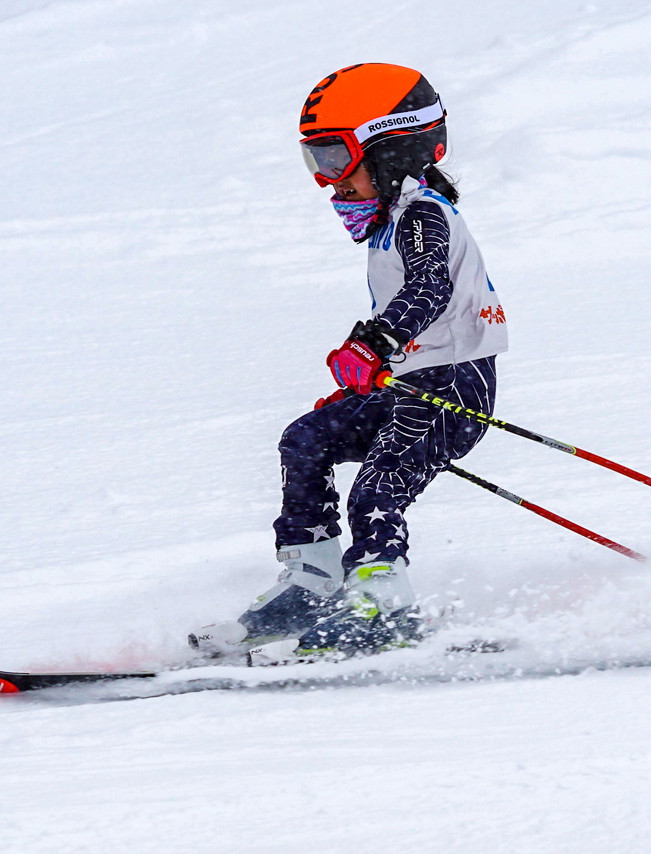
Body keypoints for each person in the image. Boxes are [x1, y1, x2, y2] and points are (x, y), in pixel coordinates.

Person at [192, 63, 507, 659]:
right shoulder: (391, 222)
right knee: (305, 440)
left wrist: (375, 345)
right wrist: (368, 373)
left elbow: (428, 290)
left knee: (375, 490)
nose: (326, 180)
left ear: (392, 150)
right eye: (316, 161)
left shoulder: (422, 215)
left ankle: (383, 611)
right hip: (413, 382)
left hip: (456, 386)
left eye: (336, 159)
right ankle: (312, 584)